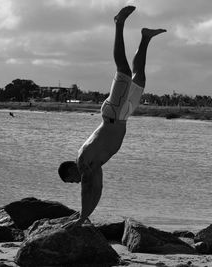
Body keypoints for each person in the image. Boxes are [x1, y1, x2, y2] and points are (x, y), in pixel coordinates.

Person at [58, 6, 166, 229]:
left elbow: (88, 188)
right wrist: (84, 214)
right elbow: (97, 189)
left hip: (113, 114)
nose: (76, 182)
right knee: (139, 77)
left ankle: (118, 23)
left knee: (123, 71)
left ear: (71, 170)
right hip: (123, 115)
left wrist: (81, 217)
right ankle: (145, 38)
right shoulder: (93, 165)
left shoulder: (83, 162)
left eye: (72, 180)